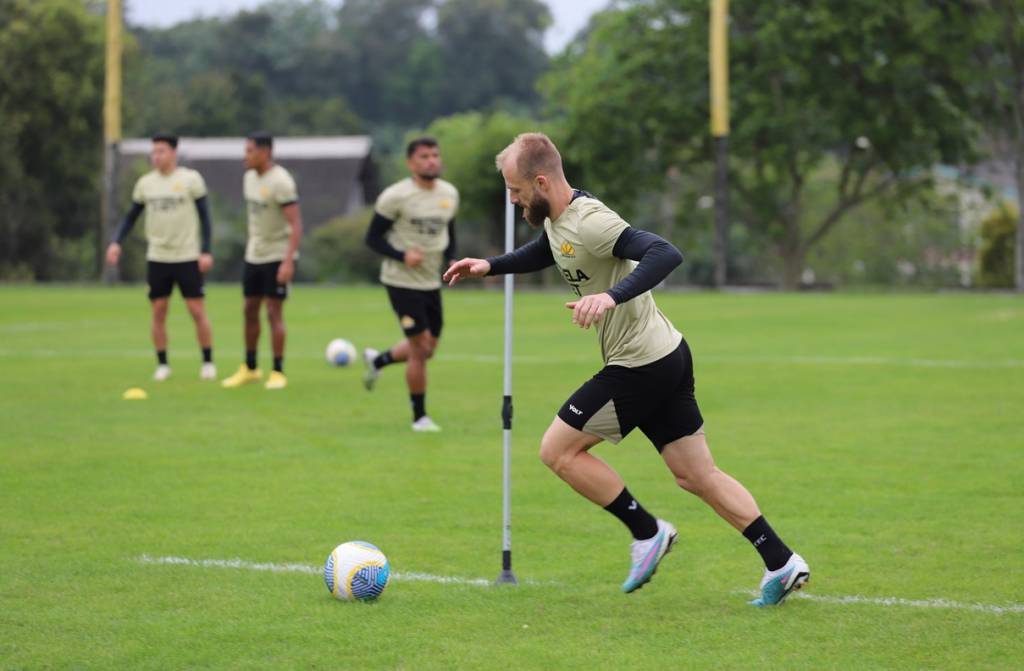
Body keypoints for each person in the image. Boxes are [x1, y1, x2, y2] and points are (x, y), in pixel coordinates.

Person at [443, 132, 809, 605]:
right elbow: (549, 251)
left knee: (558, 451)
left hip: (640, 364)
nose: (513, 200)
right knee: (697, 475)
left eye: (516, 191)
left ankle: (647, 532)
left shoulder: (591, 221)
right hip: (668, 354)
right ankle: (782, 562)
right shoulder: (560, 219)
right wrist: (488, 267)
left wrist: (610, 295)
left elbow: (665, 252)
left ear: (540, 181)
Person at [362, 137, 459, 432]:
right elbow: (372, 238)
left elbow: (448, 233)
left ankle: (378, 361)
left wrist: (452, 263)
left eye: (435, 155)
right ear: (411, 163)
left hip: (431, 282)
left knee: (429, 347)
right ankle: (420, 417)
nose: (431, 161)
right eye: (424, 156)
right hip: (401, 281)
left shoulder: (449, 193)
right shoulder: (395, 196)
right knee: (420, 348)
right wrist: (402, 255)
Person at [105, 133, 216, 382]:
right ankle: (163, 364)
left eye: (161, 151)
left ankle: (208, 362)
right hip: (157, 257)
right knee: (158, 312)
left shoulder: (190, 180)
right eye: (154, 152)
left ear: (173, 153)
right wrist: (116, 243)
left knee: (197, 311)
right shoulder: (146, 184)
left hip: (187, 255)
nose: (156, 156)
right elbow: (130, 217)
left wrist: (206, 250)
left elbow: (206, 218)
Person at [221, 132, 303, 391]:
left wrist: (288, 262)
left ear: (265, 152)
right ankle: (250, 368)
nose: (245, 156)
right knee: (249, 309)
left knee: (273, 312)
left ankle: (278, 371)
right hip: (254, 255)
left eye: (250, 151)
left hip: (277, 255)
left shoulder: (281, 181)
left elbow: (296, 224)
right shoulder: (248, 179)